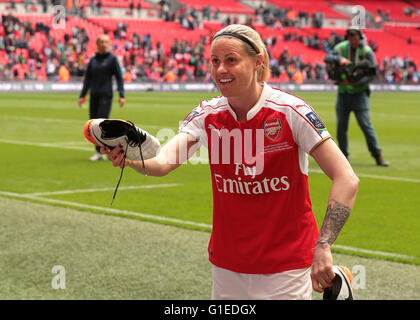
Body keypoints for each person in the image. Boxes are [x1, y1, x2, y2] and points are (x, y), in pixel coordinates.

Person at [102, 24, 359, 299]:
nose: (220, 70)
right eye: (215, 61)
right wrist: (130, 158)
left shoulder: (290, 112)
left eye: (231, 60)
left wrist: (323, 246)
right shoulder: (207, 114)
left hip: (286, 263)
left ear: (257, 61)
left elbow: (346, 178)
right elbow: (163, 162)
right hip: (227, 262)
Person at [324, 27, 389, 166]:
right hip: (343, 94)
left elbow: (372, 73)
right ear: (347, 38)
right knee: (341, 127)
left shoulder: (367, 51)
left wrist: (355, 82)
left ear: (360, 38)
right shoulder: (340, 48)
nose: (353, 41)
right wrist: (339, 59)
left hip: (360, 94)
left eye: (356, 39)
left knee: (366, 125)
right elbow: (327, 57)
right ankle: (343, 158)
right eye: (351, 38)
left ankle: (377, 155)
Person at [79, 34, 125, 161]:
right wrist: (82, 95)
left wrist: (121, 94)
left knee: (101, 124)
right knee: (93, 124)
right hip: (94, 95)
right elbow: (87, 79)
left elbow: (119, 78)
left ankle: (114, 148)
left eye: (106, 42)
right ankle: (99, 153)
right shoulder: (93, 61)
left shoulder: (112, 59)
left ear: (109, 44)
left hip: (106, 95)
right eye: (101, 42)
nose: (104, 44)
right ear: (97, 44)